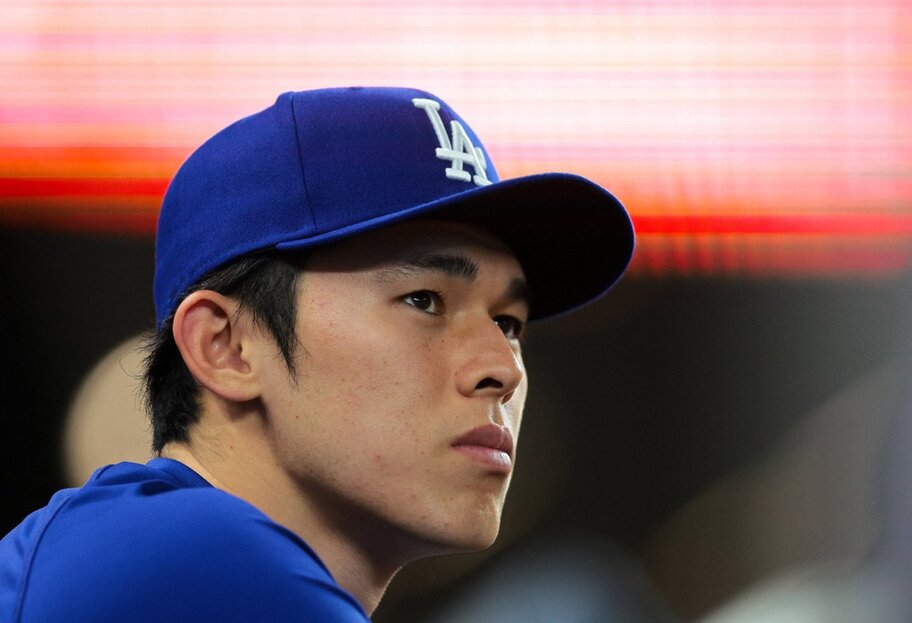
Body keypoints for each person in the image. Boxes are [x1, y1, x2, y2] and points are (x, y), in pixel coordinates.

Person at [0, 87, 634, 621]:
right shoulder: (194, 560)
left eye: (508, 322)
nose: (504, 368)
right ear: (226, 347)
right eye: (424, 300)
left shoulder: (137, 548)